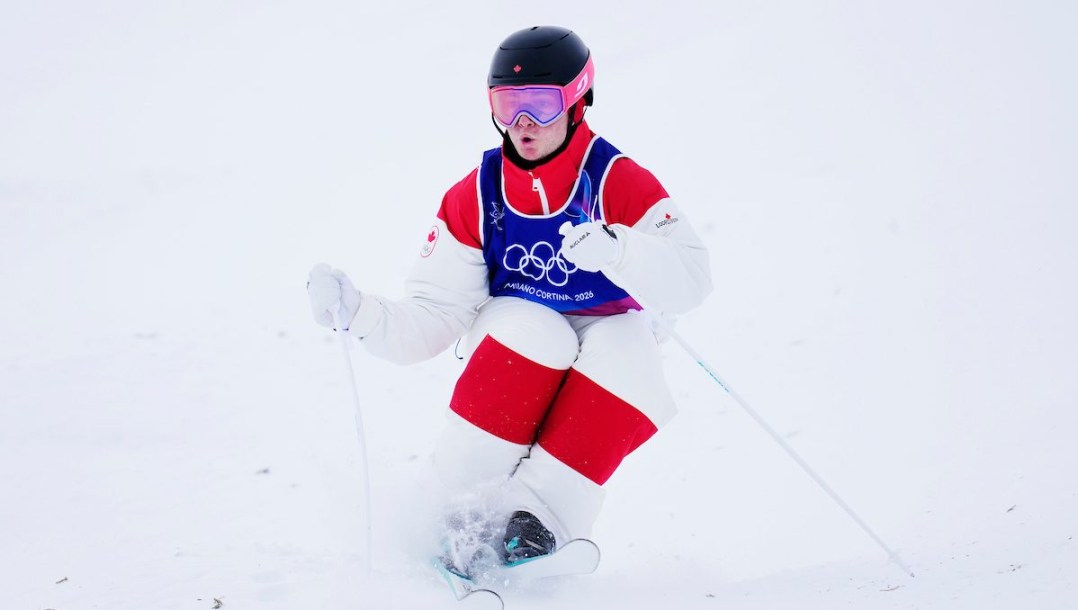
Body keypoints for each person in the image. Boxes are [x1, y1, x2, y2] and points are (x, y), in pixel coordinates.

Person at [307, 25, 712, 572]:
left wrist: (620, 250)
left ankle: (539, 519)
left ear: (576, 100)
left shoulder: (615, 178)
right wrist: (359, 314)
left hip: (610, 323)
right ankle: (455, 508)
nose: (522, 124)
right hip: (519, 323)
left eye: (540, 105)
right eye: (508, 105)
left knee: (631, 356)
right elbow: (434, 315)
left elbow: (691, 277)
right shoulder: (478, 193)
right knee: (536, 333)